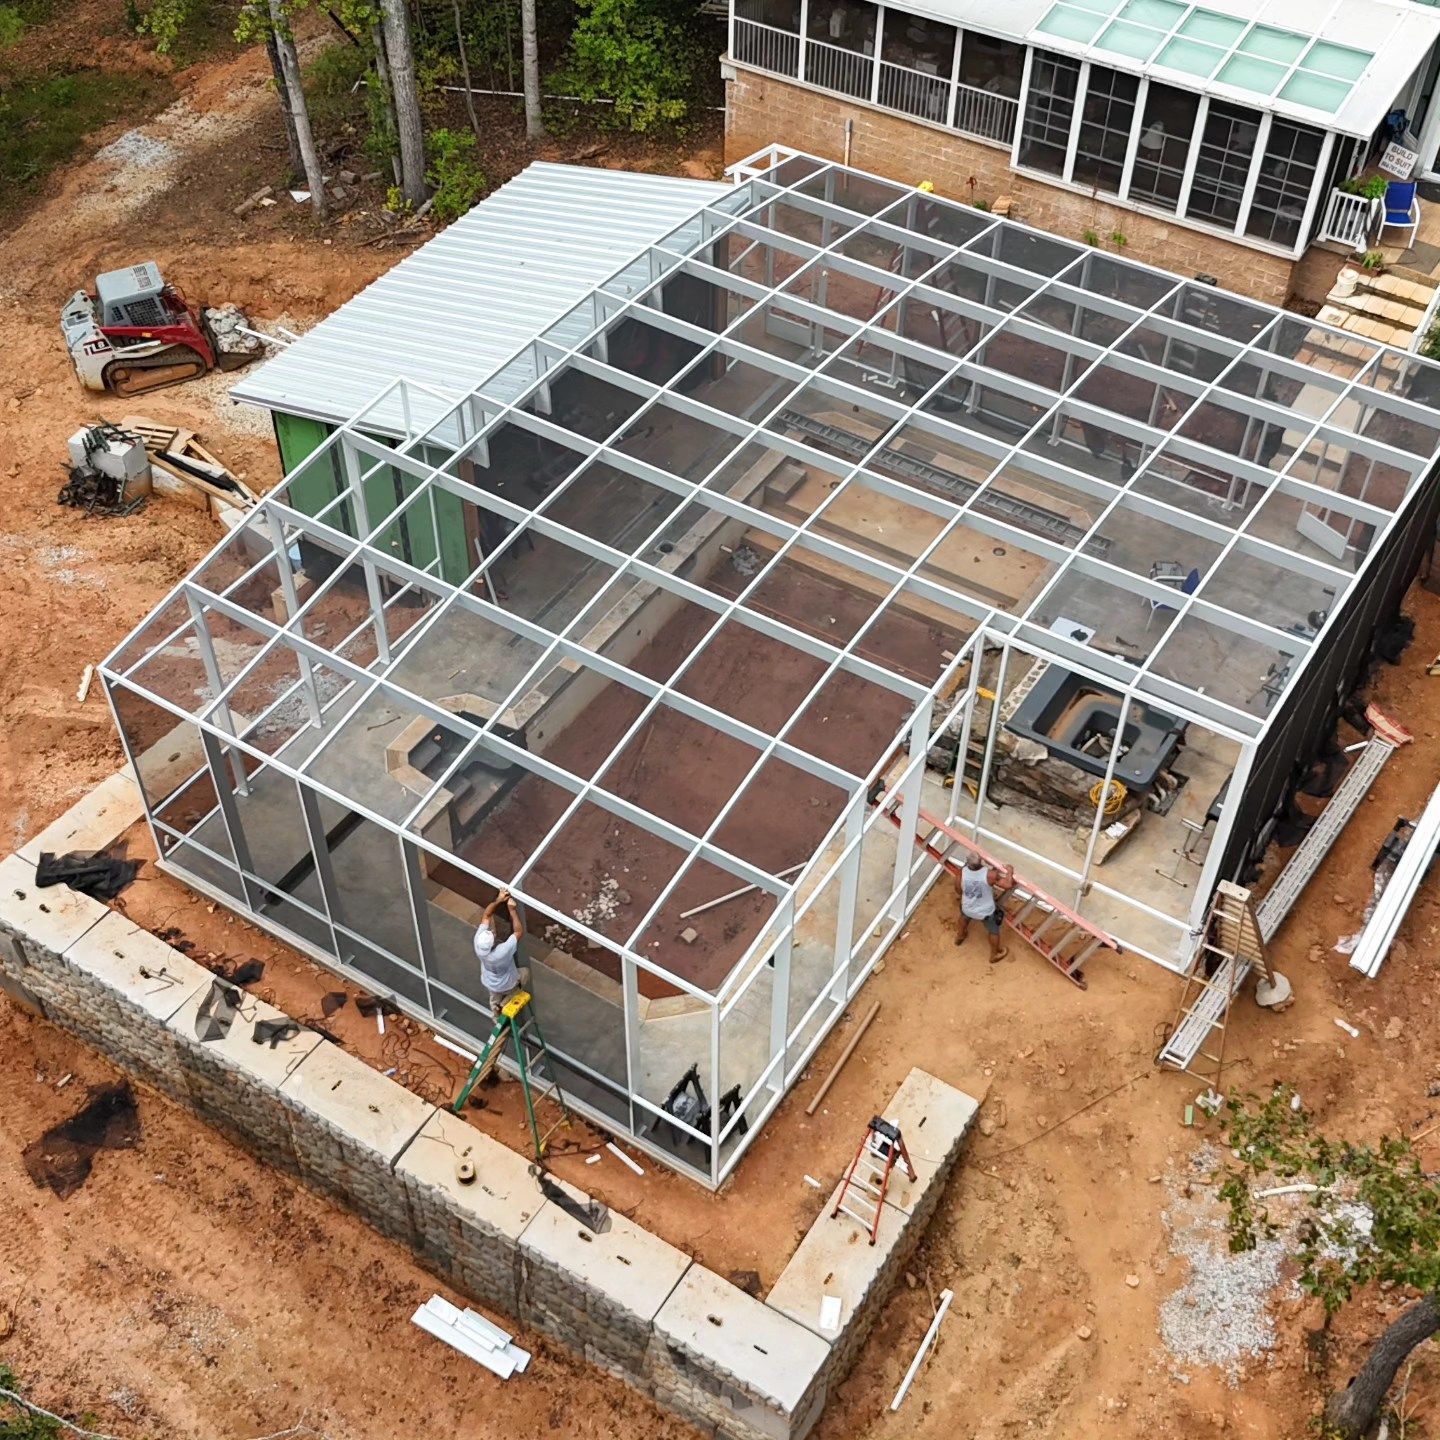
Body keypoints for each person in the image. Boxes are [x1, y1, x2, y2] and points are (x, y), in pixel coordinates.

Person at [474, 887, 528, 1014]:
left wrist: (498, 900)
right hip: (508, 983)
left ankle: (496, 1014)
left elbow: (487, 915)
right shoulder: (502, 952)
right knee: (525, 973)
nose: (492, 932)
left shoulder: (478, 943)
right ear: (492, 944)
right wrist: (512, 910)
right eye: (492, 934)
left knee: (494, 996)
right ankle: (505, 1004)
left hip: (489, 981)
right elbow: (518, 932)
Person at [955, 853, 1009, 964]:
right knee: (994, 931)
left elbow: (958, 890)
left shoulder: (961, 872)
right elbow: (1008, 884)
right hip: (986, 911)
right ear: (980, 862)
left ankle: (960, 937)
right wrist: (1010, 871)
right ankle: (994, 955)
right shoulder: (990, 875)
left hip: (968, 907)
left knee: (963, 918)